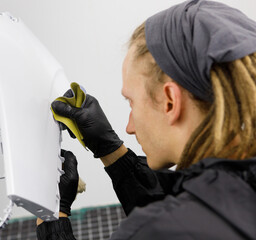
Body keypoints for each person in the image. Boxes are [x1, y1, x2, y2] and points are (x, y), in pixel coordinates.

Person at [37, 0, 256, 239]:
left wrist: (53, 216)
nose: (129, 128)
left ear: (170, 101)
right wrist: (110, 150)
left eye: (131, 102)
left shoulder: (153, 231)